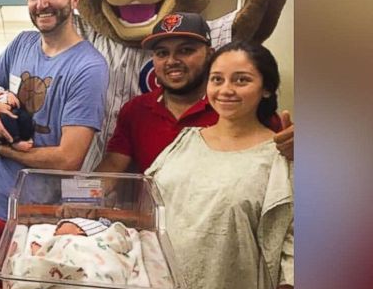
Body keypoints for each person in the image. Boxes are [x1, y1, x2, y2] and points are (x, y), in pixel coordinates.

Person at [146, 40, 293, 289]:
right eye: (217, 79)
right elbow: (146, 208)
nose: (226, 90)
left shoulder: (280, 159)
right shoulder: (185, 143)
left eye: (241, 80)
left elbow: (293, 254)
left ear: (267, 88)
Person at [0, 0, 109, 276]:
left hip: (42, 217)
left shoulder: (88, 67)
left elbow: (67, 159)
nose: (41, 4)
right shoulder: (21, 44)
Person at [97, 12, 294, 174]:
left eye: (185, 50)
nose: (172, 61)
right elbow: (114, 166)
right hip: (151, 219)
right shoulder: (136, 110)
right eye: (162, 53)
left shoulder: (235, 105)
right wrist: (82, 198)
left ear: (210, 54)